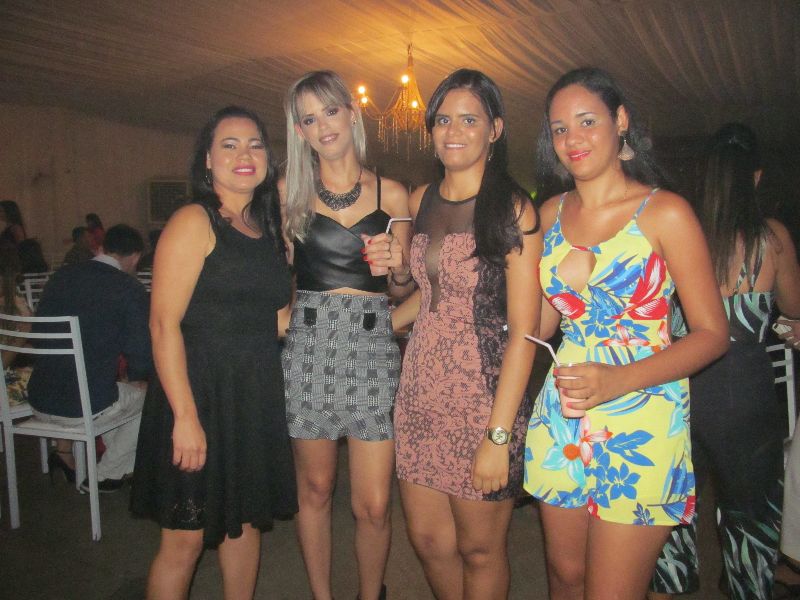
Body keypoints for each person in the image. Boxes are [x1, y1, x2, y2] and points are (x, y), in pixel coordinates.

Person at [522, 67, 729, 600]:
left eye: (587, 121)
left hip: (643, 414)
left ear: (620, 121)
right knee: (565, 577)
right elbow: (539, 328)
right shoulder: (549, 213)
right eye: (560, 129)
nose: (572, 139)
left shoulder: (665, 212)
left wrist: (618, 380)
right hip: (563, 415)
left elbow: (712, 334)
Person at [130, 106, 296, 600]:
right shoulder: (193, 220)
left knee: (243, 525)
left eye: (255, 144)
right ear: (207, 159)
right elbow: (162, 324)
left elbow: (277, 320)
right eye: (230, 144)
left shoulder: (265, 229)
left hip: (251, 395)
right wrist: (185, 416)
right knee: (184, 541)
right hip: (198, 393)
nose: (245, 154)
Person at [388, 69, 541, 600]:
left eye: (469, 120)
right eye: (443, 120)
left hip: (483, 393)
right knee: (428, 541)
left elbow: (525, 331)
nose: (453, 131)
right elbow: (430, 294)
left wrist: (498, 436)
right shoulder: (421, 198)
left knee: (479, 550)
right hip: (420, 390)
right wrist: (381, 322)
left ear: (494, 129)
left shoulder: (513, 208)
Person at [649, 123, 800, 600]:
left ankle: (672, 586)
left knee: (675, 502)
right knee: (750, 510)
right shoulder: (771, 238)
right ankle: (746, 587)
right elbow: (795, 307)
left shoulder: (679, 234)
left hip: (682, 387)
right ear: (755, 177)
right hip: (745, 394)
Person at [281, 70, 411, 600]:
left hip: (372, 347)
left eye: (330, 110)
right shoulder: (287, 195)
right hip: (309, 347)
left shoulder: (392, 192)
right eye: (309, 119)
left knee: (374, 505)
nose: (323, 125)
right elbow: (277, 280)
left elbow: (403, 289)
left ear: (352, 115)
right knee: (315, 489)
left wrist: (397, 265)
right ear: (300, 132)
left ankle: (370, 594)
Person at [28, 224, 151, 492]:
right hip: (83, 406)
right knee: (151, 398)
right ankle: (106, 475)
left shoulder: (61, 276)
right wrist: (139, 377)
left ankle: (122, 467)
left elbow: (37, 334)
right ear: (135, 257)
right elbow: (140, 351)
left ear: (102, 248)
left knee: (117, 396)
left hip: (38, 398)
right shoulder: (128, 288)